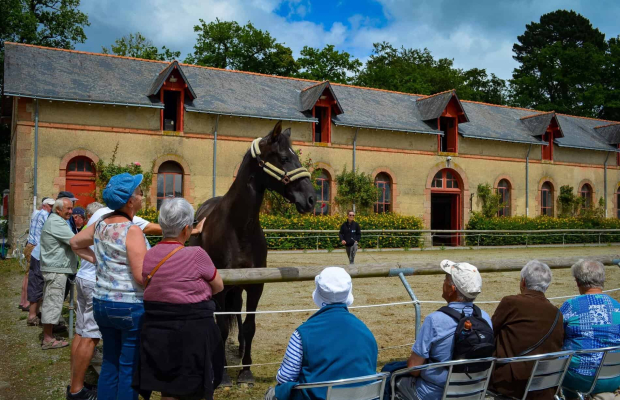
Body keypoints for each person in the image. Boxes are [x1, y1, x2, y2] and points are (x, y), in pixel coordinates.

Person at [135, 198, 224, 400]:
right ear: (186, 229)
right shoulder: (197, 254)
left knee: (168, 387)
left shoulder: (150, 255)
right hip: (192, 332)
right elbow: (218, 285)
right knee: (195, 387)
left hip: (157, 331)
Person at [70, 173, 148, 400]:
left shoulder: (100, 224)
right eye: (140, 193)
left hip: (101, 302)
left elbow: (74, 243)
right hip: (128, 305)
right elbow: (141, 276)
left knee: (110, 361)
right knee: (128, 367)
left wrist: (96, 259)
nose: (142, 197)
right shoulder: (132, 230)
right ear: (130, 201)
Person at [265, 267, 378, 400]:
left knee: (273, 393)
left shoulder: (302, 334)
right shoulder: (366, 331)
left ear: (318, 292)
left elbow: (284, 377)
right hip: (363, 397)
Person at [395, 260, 491, 400]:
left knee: (393, 379)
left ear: (452, 289)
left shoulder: (435, 320)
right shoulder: (485, 317)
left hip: (434, 393)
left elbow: (414, 368)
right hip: (473, 391)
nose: (443, 283)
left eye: (445, 280)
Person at [490, 260, 564, 399]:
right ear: (547, 286)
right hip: (544, 383)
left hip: (512, 383)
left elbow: (491, 332)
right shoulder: (557, 314)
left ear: (523, 282)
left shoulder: (511, 302)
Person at [560, 260, 620, 399]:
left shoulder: (570, 306)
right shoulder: (617, 307)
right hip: (614, 377)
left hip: (579, 378)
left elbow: (557, 335)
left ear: (577, 281)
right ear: (602, 280)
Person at [67, 202, 104, 400]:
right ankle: (77, 390)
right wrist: (98, 261)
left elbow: (75, 244)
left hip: (82, 278)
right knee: (91, 336)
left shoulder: (88, 227)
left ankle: (75, 381)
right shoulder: (100, 225)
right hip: (92, 282)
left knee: (81, 332)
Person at [39, 197, 76, 350]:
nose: (71, 212)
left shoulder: (57, 220)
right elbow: (75, 241)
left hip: (55, 267)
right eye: (68, 209)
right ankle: (48, 339)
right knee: (52, 302)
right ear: (58, 209)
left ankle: (50, 332)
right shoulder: (56, 222)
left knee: (52, 301)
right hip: (56, 268)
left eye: (72, 208)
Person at [20, 197, 54, 312]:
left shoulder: (36, 213)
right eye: (50, 206)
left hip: (30, 245)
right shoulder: (45, 215)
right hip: (35, 247)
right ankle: (27, 303)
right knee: (32, 276)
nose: (52, 208)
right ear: (45, 205)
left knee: (28, 274)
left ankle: (23, 301)